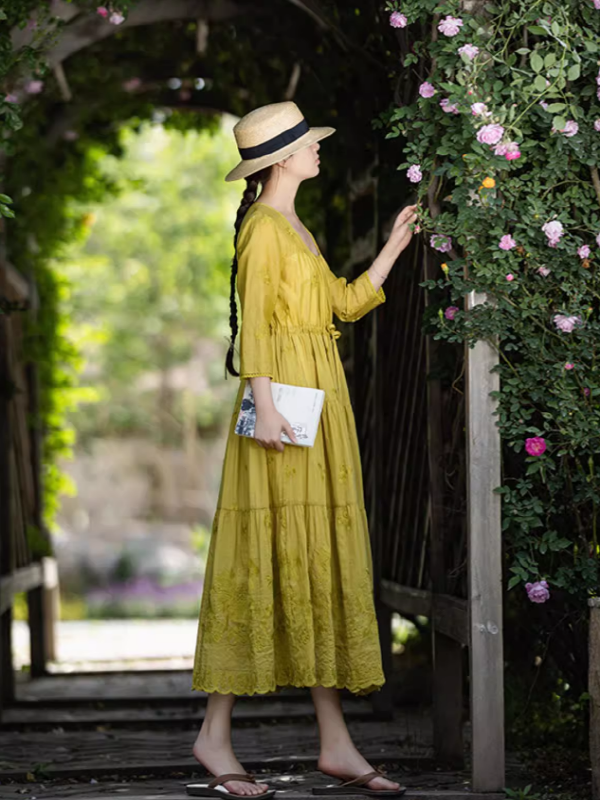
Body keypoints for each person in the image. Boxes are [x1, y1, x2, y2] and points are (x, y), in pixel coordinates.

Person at [188, 101, 417, 800]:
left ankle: (336, 743)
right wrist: (261, 406)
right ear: (281, 159)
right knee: (262, 559)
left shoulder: (293, 224)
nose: (318, 152)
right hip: (280, 408)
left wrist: (394, 244)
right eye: (309, 145)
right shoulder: (262, 229)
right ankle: (214, 736)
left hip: (316, 405)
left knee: (315, 556)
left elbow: (343, 307)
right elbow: (256, 322)